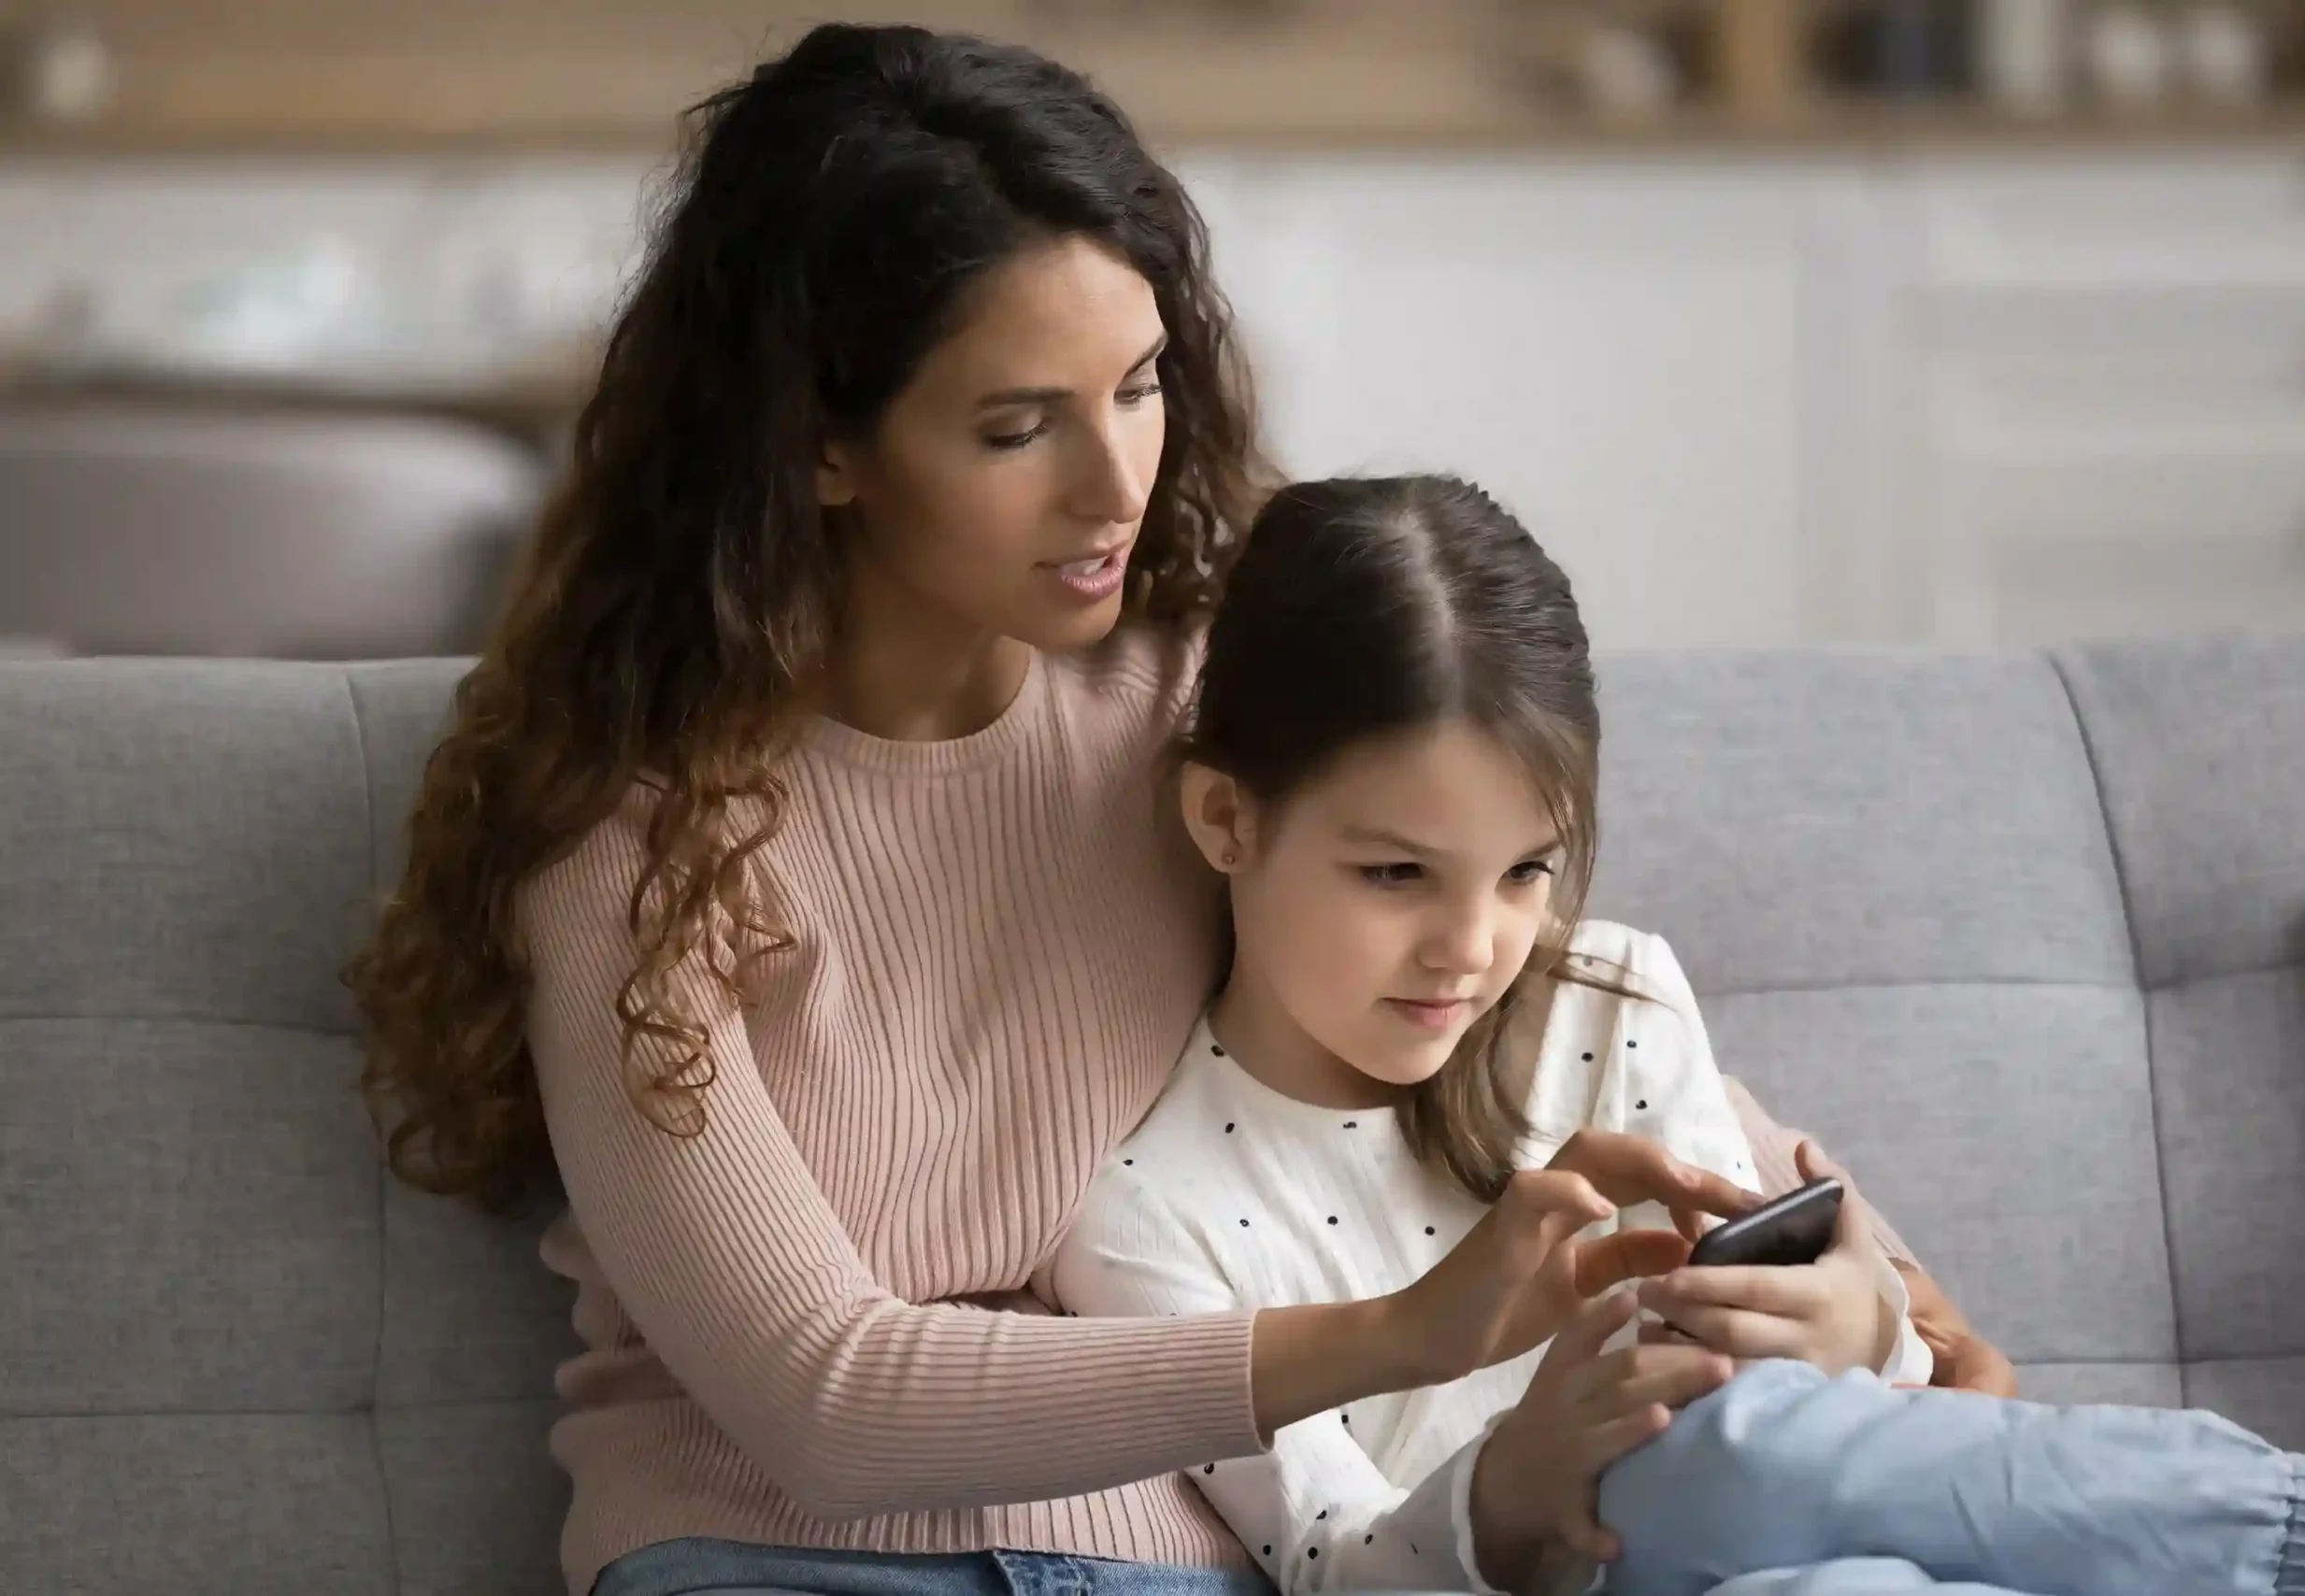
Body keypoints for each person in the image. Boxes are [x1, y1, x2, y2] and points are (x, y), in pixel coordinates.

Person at [344, 22, 2004, 1596]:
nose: (1115, 485)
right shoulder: (629, 847)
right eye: (1017, 427)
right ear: (821, 445)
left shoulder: (1191, 702)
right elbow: (824, 1402)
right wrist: (1403, 1335)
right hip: (773, 1551)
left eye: (1139, 386)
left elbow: (1525, 987)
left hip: (1169, 1559)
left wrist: (1879, 1288)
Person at [1052, 472, 2305, 1596]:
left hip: (1783, 1545)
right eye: (1396, 874)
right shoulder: (1145, 1213)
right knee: (1724, 1461)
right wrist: (1515, 1483)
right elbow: (1333, 1562)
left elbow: (1844, 1409)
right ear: (1226, 820)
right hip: (1556, 1569)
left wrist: (1860, 1324)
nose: (1472, 946)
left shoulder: (1608, 1002)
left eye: (1525, 872)